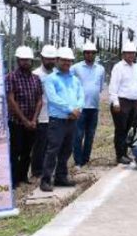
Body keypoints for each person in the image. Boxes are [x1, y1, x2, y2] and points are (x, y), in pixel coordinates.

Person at [40, 47, 84, 192]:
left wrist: (78, 109)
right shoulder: (51, 79)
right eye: (64, 60)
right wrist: (70, 110)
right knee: (53, 150)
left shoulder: (75, 79)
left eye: (69, 60)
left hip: (72, 121)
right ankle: (46, 180)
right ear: (57, 60)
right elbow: (53, 99)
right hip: (57, 121)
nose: (67, 63)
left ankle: (61, 177)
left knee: (66, 150)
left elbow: (81, 96)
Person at [6, 46, 43, 188]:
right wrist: (24, 120)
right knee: (16, 151)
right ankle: (13, 180)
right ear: (18, 61)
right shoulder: (11, 77)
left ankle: (23, 176)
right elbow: (11, 101)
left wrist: (33, 120)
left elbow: (39, 100)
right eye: (23, 60)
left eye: (28, 60)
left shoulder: (36, 79)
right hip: (16, 122)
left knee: (27, 151)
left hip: (32, 122)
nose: (26, 63)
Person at [71, 41, 105, 168]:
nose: (90, 55)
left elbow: (100, 87)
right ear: (84, 54)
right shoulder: (75, 68)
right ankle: (78, 161)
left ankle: (86, 160)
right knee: (78, 135)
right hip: (80, 108)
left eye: (92, 53)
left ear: (95, 54)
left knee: (90, 135)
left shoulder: (100, 69)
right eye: (87, 53)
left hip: (94, 107)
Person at [109, 41, 137, 164]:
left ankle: (124, 153)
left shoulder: (136, 68)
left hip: (133, 102)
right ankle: (120, 155)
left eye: (133, 53)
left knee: (128, 129)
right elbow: (113, 86)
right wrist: (115, 102)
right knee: (120, 129)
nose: (130, 55)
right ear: (123, 54)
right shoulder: (118, 67)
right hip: (122, 103)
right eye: (128, 53)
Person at [31, 45, 58, 180]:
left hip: (54, 114)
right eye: (48, 59)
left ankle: (48, 168)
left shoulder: (57, 74)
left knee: (51, 145)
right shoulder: (36, 74)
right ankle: (37, 171)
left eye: (53, 59)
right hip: (41, 115)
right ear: (42, 59)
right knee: (40, 145)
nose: (50, 62)